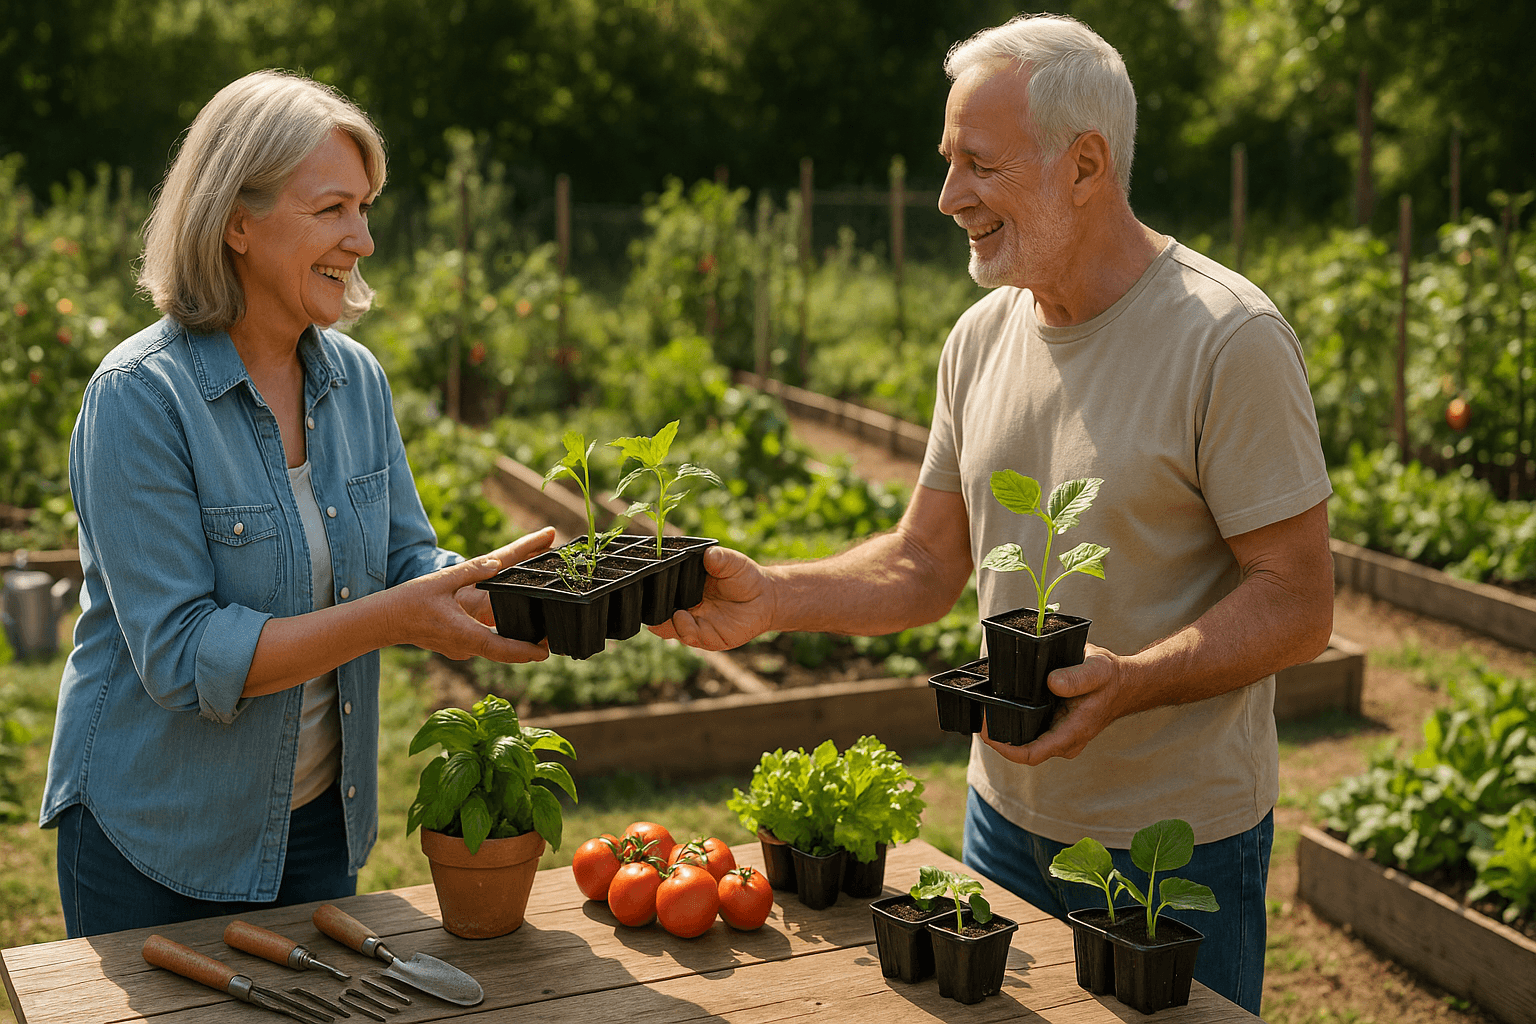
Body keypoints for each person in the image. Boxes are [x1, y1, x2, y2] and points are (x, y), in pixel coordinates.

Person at [656, 14, 1333, 1014]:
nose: (947, 197)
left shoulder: (1226, 339)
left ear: (1087, 165)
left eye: (977, 163)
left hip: (1172, 843)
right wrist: (773, 596)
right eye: (946, 161)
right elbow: (926, 565)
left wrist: (1132, 682)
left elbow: (1299, 600)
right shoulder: (979, 338)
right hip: (999, 817)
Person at [41, 70, 556, 938]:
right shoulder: (141, 397)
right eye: (331, 210)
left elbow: (403, 561)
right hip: (158, 843)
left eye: (364, 208)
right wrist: (401, 615)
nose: (361, 238)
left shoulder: (355, 382)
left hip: (317, 826)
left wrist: (494, 588)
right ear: (235, 222)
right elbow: (181, 654)